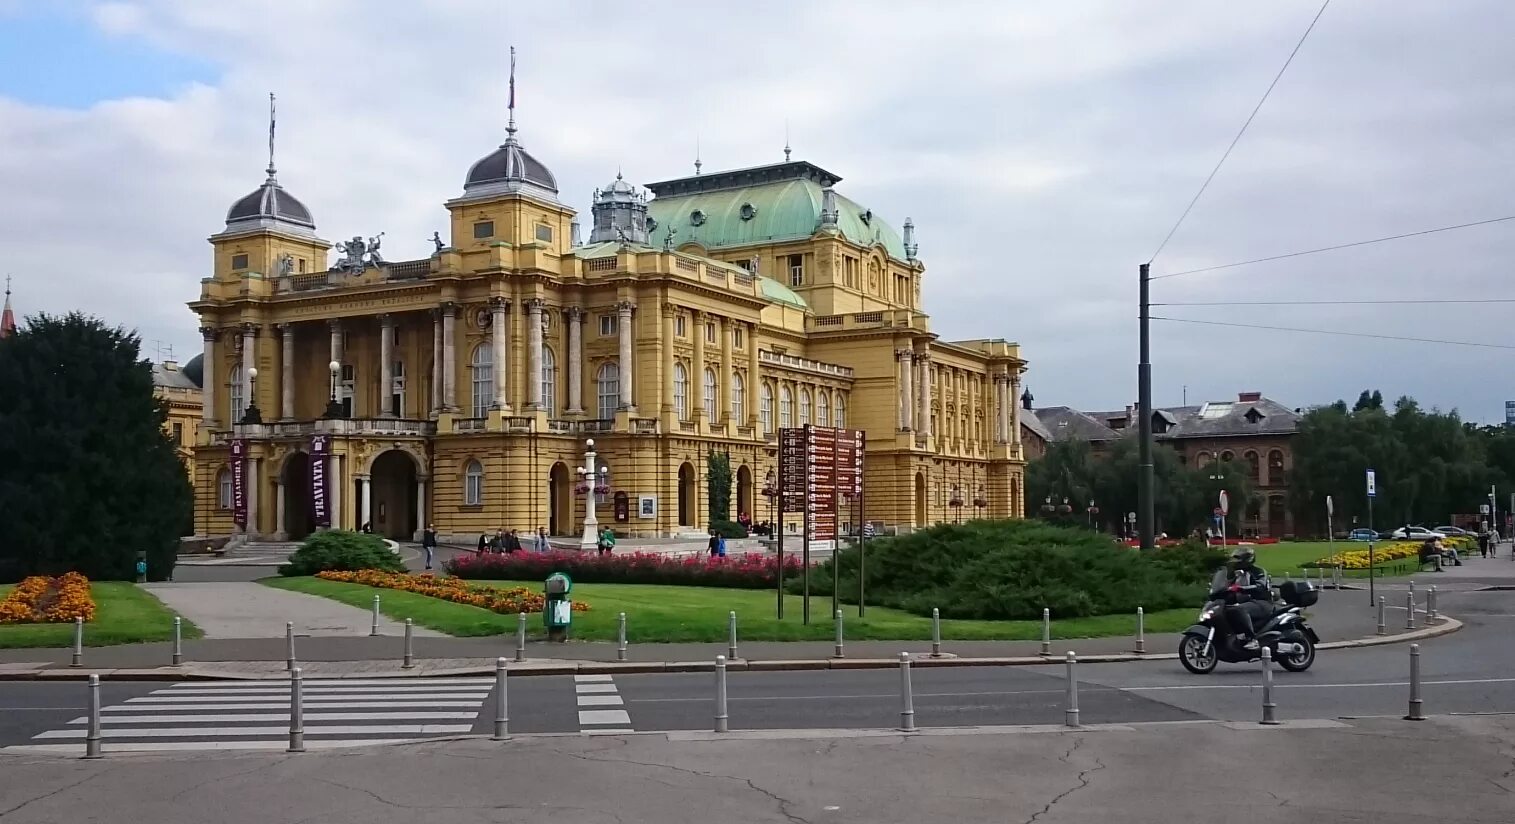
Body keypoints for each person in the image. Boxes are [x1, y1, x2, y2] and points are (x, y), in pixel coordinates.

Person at [1210, 547, 1272, 648]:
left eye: (1239, 560)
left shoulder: (1258, 571)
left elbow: (1260, 586)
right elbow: (1227, 587)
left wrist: (1241, 588)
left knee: (1239, 609)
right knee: (1226, 610)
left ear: (1247, 560)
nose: (1236, 563)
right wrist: (1218, 592)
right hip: (1247, 602)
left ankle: (1252, 639)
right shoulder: (1237, 574)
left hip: (1262, 603)